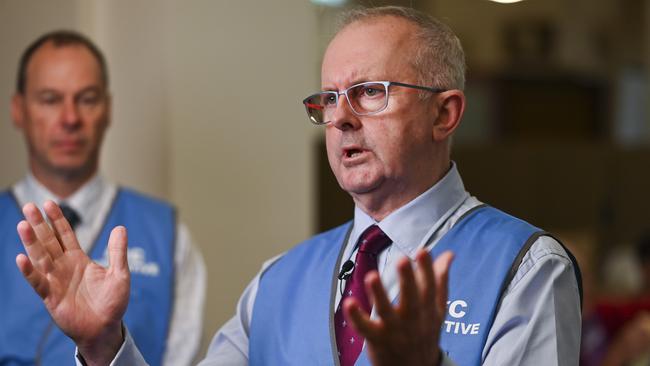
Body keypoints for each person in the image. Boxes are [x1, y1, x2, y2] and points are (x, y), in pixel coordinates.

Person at [14, 7, 581, 366]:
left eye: (370, 92)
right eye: (329, 99)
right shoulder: (277, 282)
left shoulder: (527, 270)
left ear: (445, 113)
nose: (341, 119)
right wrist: (103, 345)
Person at [2, 30, 206, 366]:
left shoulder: (168, 236)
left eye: (87, 99)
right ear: (18, 110)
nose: (70, 119)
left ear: (107, 110)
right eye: (51, 99)